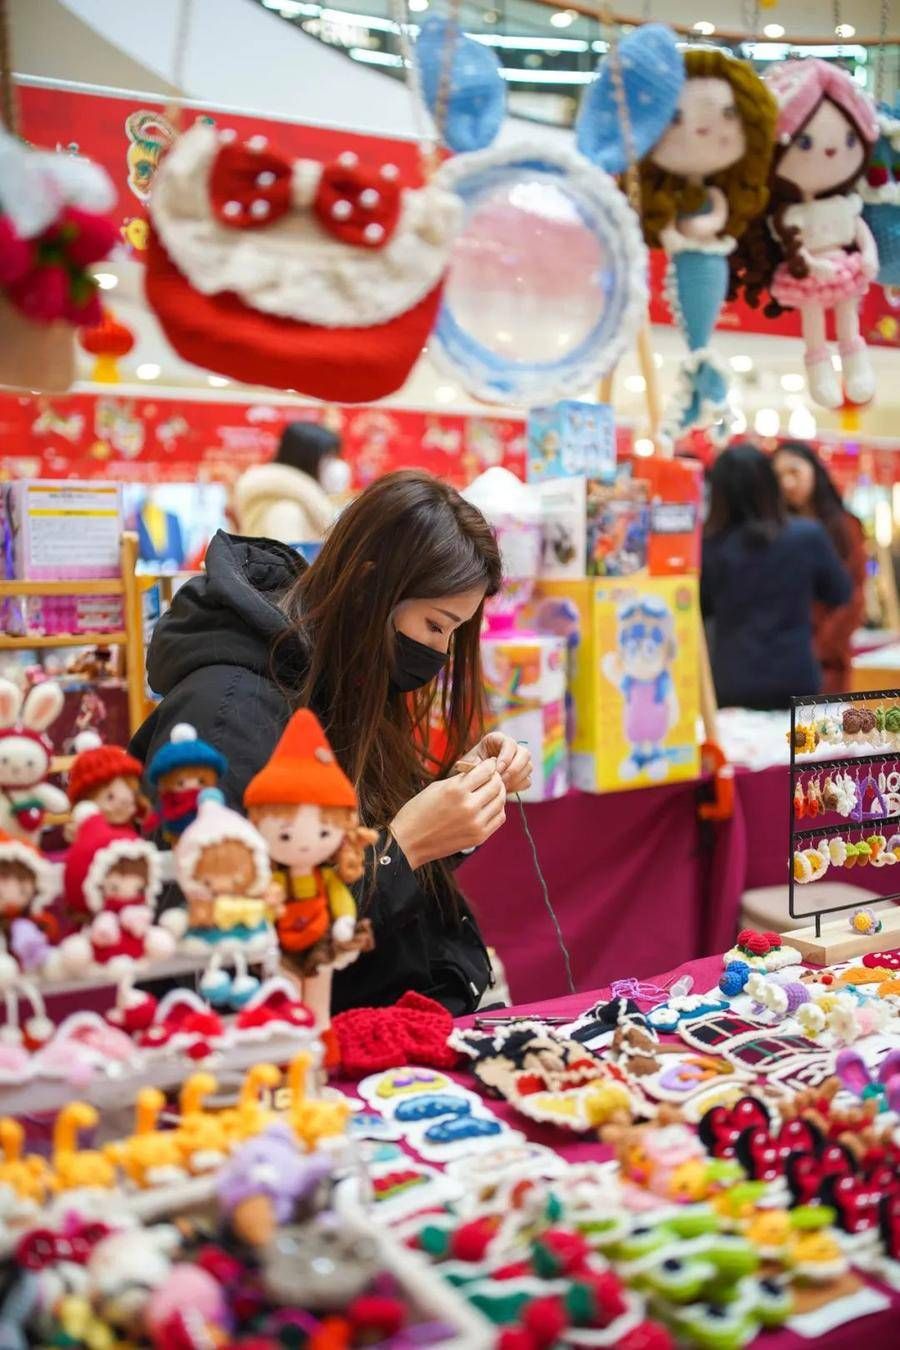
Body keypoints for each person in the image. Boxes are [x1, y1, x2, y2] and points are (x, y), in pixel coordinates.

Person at [131, 470, 532, 1015]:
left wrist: (459, 801)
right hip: (290, 1042)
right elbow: (222, 945)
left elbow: (352, 842)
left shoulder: (338, 672)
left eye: (455, 633)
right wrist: (405, 846)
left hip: (388, 1006)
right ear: (370, 587)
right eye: (436, 626)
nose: (440, 652)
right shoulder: (228, 709)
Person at [701, 444, 852, 710]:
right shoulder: (806, 535)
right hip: (795, 673)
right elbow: (839, 592)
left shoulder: (709, 545)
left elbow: (703, 607)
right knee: (799, 749)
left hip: (730, 679)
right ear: (769, 483)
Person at [773, 440, 867, 696]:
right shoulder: (777, 529)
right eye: (778, 476)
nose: (787, 483)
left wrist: (818, 648)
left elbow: (854, 596)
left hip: (827, 661)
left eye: (794, 472)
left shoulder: (844, 526)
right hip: (784, 660)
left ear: (814, 470)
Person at [233, 422, 350, 545]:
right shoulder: (286, 510)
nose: (334, 466)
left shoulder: (299, 501)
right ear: (308, 459)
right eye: (329, 458)